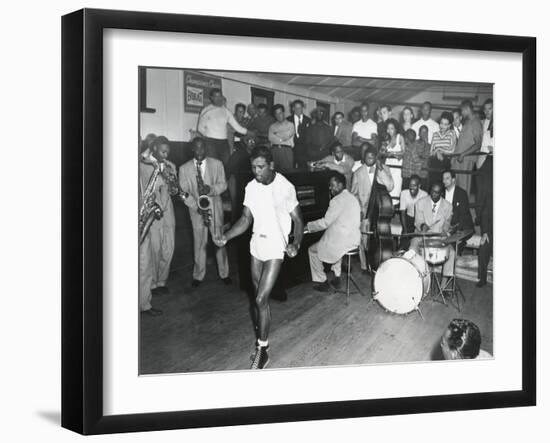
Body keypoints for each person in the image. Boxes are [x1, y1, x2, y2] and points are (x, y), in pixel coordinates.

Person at [214, 146, 304, 369]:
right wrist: (226, 237)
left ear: (271, 165)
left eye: (261, 167)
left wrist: (296, 243)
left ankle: (262, 350)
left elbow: (299, 220)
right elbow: (245, 219)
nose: (256, 171)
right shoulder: (251, 187)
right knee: (258, 300)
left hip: (276, 246)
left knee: (261, 299)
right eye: (253, 167)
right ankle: (263, 343)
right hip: (257, 244)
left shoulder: (285, 187)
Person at [179, 137, 231, 288]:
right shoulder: (184, 168)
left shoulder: (217, 164)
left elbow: (223, 185)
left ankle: (224, 273)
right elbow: (183, 193)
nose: (200, 151)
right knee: (199, 242)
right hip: (196, 211)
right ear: (192, 149)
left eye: (203, 148)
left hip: (215, 208)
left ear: (206, 149)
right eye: (197, 148)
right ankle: (198, 275)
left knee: (219, 241)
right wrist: (196, 207)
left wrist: (211, 189)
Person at [305, 172, 361, 292]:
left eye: (333, 185)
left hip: (343, 241)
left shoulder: (336, 200)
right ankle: (336, 277)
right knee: (335, 245)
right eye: (330, 185)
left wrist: (308, 226)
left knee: (312, 250)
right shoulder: (353, 198)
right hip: (354, 240)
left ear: (341, 185)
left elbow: (325, 223)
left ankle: (322, 281)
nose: (330, 188)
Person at [351, 144, 394, 272]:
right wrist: (359, 210)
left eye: (372, 157)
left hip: (380, 211)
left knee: (378, 238)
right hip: (365, 212)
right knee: (363, 241)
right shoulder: (358, 173)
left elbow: (390, 186)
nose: (370, 159)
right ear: (364, 157)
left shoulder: (384, 168)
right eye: (367, 157)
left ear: (376, 157)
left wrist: (380, 170)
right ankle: (365, 266)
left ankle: (380, 264)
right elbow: (353, 194)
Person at [409, 182, 454, 287]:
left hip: (438, 236)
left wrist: (445, 230)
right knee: (412, 249)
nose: (433, 194)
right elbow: (418, 221)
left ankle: (443, 286)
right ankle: (414, 280)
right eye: (432, 191)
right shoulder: (420, 203)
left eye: (437, 193)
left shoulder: (448, 206)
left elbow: (447, 223)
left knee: (452, 253)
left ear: (441, 193)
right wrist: (422, 225)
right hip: (421, 235)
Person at [196, 89, 249, 165]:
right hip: (210, 142)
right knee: (213, 164)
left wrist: (248, 132)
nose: (218, 98)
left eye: (220, 96)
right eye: (216, 96)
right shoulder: (207, 110)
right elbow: (200, 128)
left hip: (224, 143)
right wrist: (208, 136)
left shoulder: (226, 111)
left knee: (225, 163)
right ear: (211, 98)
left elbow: (236, 126)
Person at [452, 100, 483, 196]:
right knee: (455, 187)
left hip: (465, 159)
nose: (462, 113)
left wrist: (463, 154)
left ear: (466, 109)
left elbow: (478, 144)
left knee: (463, 188)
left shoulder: (476, 122)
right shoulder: (468, 122)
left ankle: (463, 210)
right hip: (459, 159)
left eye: (462, 110)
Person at [442, 169, 473, 253]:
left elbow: (463, 216)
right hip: (447, 226)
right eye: (443, 178)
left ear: (453, 179)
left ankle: (458, 246)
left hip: (462, 227)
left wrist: (452, 231)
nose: (444, 181)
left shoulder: (462, 193)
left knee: (452, 246)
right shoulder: (441, 193)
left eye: (447, 178)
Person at [227, 133, 256, 223]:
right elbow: (229, 170)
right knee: (238, 208)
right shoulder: (238, 154)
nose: (252, 143)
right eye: (249, 140)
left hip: (253, 185)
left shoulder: (257, 154)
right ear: (245, 142)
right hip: (239, 184)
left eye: (254, 141)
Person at [398, 175, 428, 250]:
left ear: (419, 186)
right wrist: (405, 230)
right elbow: (402, 213)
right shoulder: (404, 193)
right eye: (410, 185)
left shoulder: (424, 195)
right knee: (403, 245)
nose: (411, 187)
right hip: (408, 220)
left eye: (414, 185)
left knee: (416, 244)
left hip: (420, 222)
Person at [429, 112, 457, 188]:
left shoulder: (452, 133)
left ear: (449, 125)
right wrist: (437, 152)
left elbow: (452, 150)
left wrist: (438, 149)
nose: (442, 126)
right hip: (434, 164)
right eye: (441, 123)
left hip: (446, 163)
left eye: (445, 124)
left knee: (444, 187)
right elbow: (431, 152)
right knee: (434, 187)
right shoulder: (435, 134)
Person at [268, 104, 295, 172]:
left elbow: (286, 136)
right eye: (276, 114)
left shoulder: (290, 124)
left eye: (280, 113)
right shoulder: (272, 126)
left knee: (288, 174)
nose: (278, 115)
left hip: (286, 151)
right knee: (275, 174)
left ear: (283, 113)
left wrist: (276, 134)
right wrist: (281, 137)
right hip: (274, 151)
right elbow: (271, 138)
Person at [383, 118, 404, 200]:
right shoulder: (386, 139)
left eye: (391, 128)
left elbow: (403, 152)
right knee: (388, 187)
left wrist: (392, 153)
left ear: (396, 129)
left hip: (397, 167)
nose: (389, 131)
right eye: (388, 128)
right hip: (388, 166)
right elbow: (382, 153)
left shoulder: (400, 137)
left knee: (396, 188)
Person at [287, 99, 311, 169]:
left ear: (302, 108)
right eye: (296, 108)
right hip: (292, 150)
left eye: (300, 108)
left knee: (303, 171)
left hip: (304, 151)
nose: (298, 110)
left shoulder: (308, 120)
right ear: (293, 108)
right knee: (291, 169)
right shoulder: (288, 120)